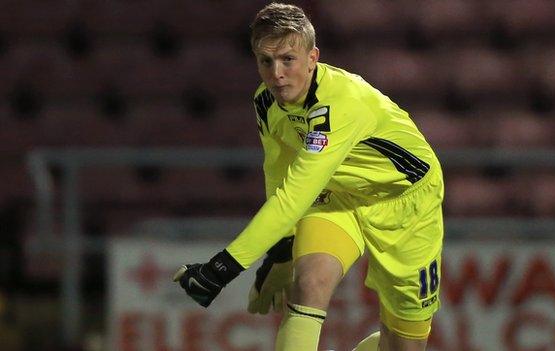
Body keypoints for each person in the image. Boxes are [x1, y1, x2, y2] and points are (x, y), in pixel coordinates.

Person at [173, 3, 444, 351]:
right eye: (266, 61)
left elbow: (294, 196)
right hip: (337, 197)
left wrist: (220, 269)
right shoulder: (266, 103)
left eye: (288, 59)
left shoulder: (342, 103)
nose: (277, 74)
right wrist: (282, 250)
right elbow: (278, 174)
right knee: (310, 283)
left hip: (406, 205)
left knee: (404, 346)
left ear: (312, 57)